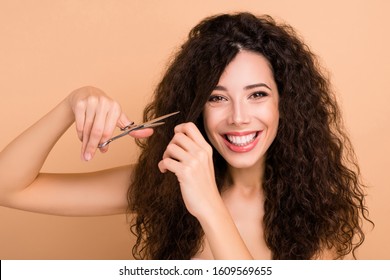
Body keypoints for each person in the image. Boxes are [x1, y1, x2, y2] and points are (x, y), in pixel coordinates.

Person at [0, 12, 372, 260]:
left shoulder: (317, 205)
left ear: (284, 104)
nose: (239, 118)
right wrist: (72, 104)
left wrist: (208, 202)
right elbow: (8, 187)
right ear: (196, 108)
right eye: (217, 97)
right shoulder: (162, 183)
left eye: (257, 94)